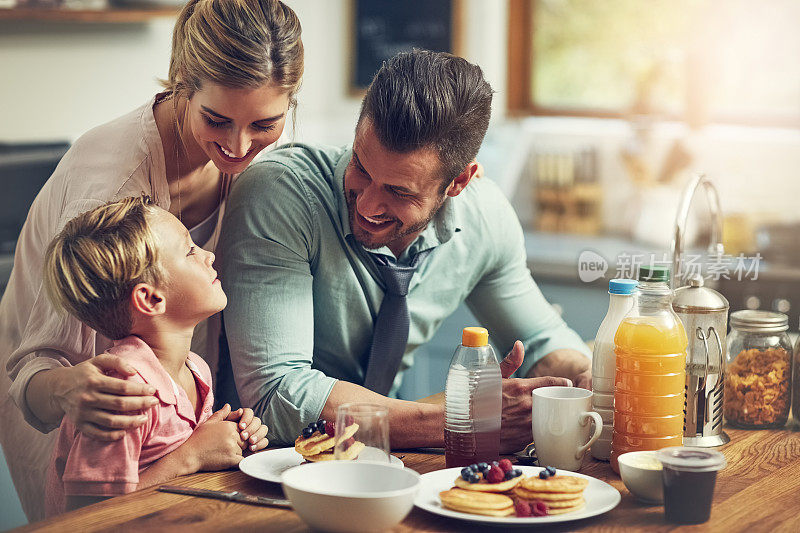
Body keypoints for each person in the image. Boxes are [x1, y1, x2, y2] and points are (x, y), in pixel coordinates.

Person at [0, 0, 303, 520]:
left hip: (173, 412)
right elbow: (38, 366)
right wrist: (74, 388)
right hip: (80, 408)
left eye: (265, 124)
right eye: (217, 120)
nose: (239, 146)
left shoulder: (248, 143)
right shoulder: (110, 185)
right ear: (184, 80)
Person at [217, 50, 592, 455]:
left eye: (398, 192)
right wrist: (463, 420)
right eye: (361, 166)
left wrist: (588, 381)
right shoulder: (280, 195)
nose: (366, 205)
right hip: (255, 466)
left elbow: (540, 341)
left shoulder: (485, 219)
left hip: (379, 461)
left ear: (459, 180)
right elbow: (277, 395)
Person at [41, 197, 269, 516]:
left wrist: (231, 438)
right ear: (151, 298)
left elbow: (194, 462)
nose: (209, 255)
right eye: (189, 250)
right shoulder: (122, 391)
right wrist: (192, 455)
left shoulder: (196, 369)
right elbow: (90, 512)